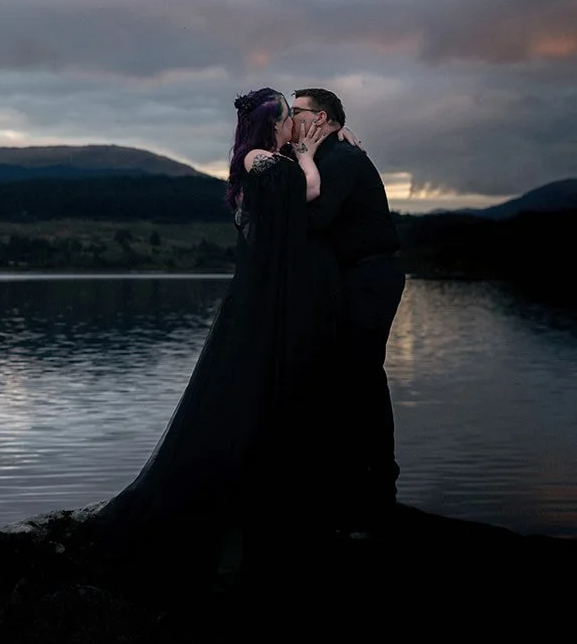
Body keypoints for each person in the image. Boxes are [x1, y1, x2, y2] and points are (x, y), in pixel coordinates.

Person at [93, 89, 338, 584]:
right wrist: (310, 156)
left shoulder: (266, 157)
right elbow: (308, 191)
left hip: (268, 290)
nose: (297, 124)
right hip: (260, 294)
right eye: (292, 117)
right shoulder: (258, 159)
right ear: (275, 123)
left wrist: (328, 141)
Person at [291, 87, 404, 535]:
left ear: (320, 119)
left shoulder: (342, 161)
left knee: (361, 377)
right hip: (349, 279)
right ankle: (353, 481)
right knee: (347, 378)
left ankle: (377, 486)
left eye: (296, 112)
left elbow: (315, 220)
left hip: (370, 278)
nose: (290, 118)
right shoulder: (327, 155)